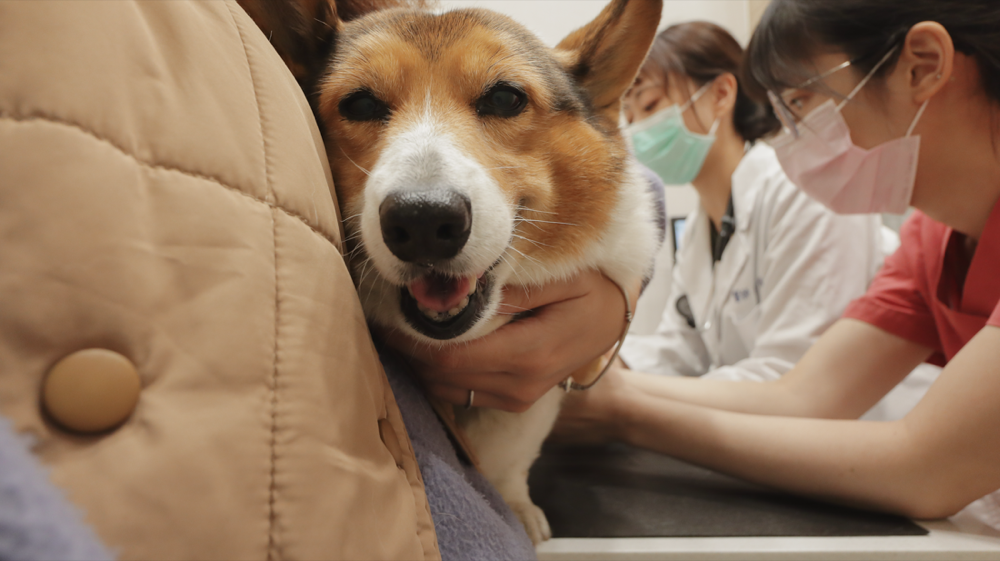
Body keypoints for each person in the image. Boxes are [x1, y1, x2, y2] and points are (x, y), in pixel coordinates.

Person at [556, 0, 1000, 529]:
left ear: (923, 65)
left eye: (801, 101)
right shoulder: (931, 243)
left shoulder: (790, 198)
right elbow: (803, 396)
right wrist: (582, 380)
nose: (788, 139)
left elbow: (924, 465)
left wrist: (621, 411)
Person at [616, 22, 936, 422]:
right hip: (773, 438)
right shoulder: (701, 227)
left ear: (721, 94)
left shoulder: (800, 192)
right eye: (628, 116)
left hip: (873, 432)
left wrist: (618, 394)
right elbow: (681, 350)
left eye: (648, 106)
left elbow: (791, 376)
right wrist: (604, 369)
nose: (638, 131)